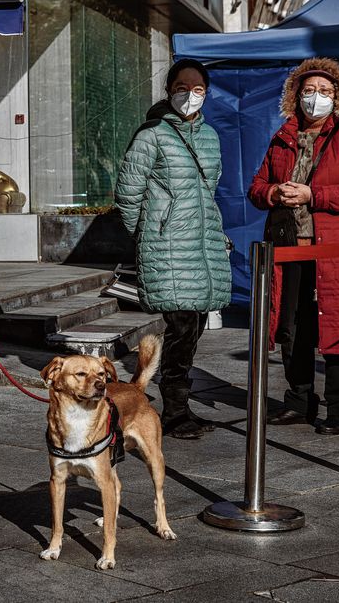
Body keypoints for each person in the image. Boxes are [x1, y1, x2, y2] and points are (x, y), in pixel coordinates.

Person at [249, 57, 339, 436]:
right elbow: (256, 188)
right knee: (292, 328)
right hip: (289, 251)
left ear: (337, 98)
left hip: (335, 251)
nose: (316, 98)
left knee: (338, 327)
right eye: (308, 91)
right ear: (295, 96)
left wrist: (312, 194)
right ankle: (300, 401)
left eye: (324, 91)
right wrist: (275, 191)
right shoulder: (282, 138)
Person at [114, 59, 232, 439]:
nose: (190, 95)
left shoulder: (211, 137)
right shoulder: (152, 134)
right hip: (168, 246)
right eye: (182, 87)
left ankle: (180, 407)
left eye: (198, 89)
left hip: (201, 246)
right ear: (169, 90)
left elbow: (209, 191)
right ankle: (176, 411)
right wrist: (149, 234)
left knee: (193, 327)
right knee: (181, 325)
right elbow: (128, 194)